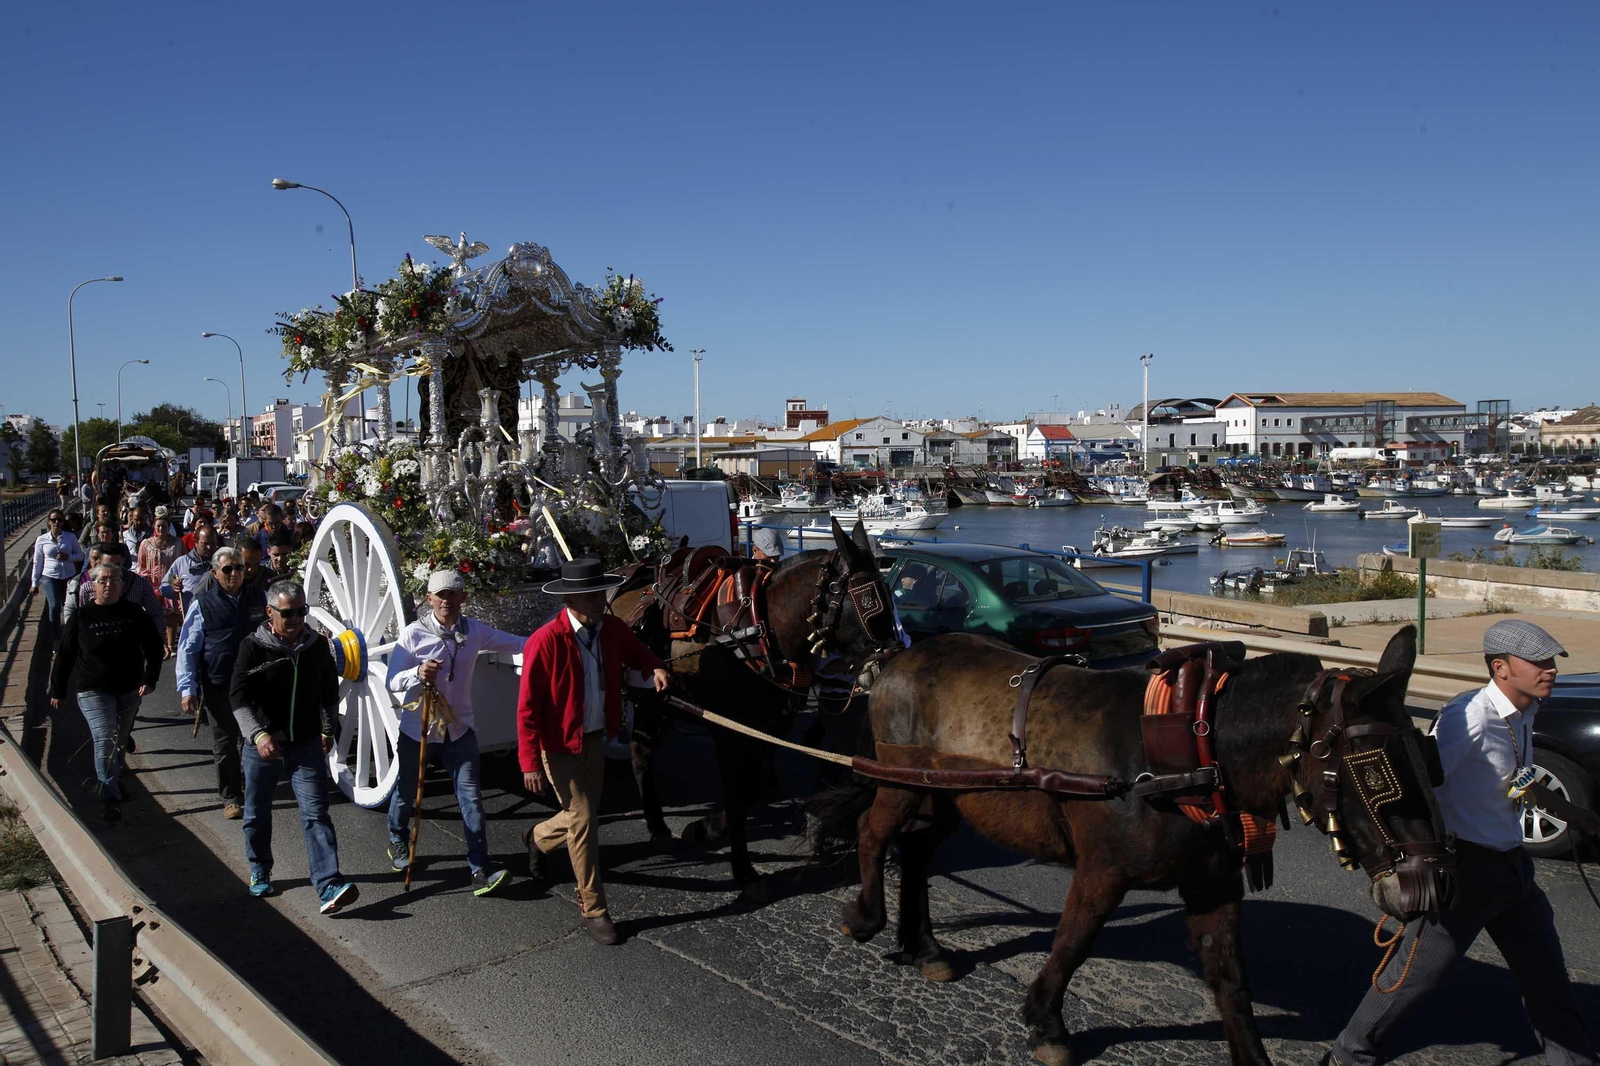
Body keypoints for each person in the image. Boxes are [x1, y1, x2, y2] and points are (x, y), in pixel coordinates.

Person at [1325, 620, 1599, 1066]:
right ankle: (1348, 1057)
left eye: (1552, 662)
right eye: (1540, 662)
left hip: (1514, 870)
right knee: (1411, 981)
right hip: (1466, 875)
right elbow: (1420, 788)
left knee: (1548, 982)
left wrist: (1579, 816)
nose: (1551, 670)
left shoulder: (1525, 712)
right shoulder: (1468, 716)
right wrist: (1411, 862)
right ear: (1501, 667)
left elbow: (1516, 782)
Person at [517, 558, 670, 945]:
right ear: (570, 599)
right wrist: (530, 761)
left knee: (578, 818)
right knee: (584, 818)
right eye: (591, 595)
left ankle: (537, 837)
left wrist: (655, 668)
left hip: (596, 739)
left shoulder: (611, 629)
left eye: (600, 592)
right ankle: (594, 908)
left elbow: (639, 653)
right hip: (558, 746)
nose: (601, 600)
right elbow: (528, 707)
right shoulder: (546, 640)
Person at [386, 570, 526, 895]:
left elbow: (517, 643)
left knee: (472, 800)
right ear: (429, 599)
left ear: (463, 598)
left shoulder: (474, 631)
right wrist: (416, 673)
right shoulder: (413, 635)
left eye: (452, 594)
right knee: (407, 792)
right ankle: (397, 838)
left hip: (459, 730)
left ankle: (480, 870)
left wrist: (553, 641)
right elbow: (391, 681)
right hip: (418, 732)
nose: (446, 600)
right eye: (440, 595)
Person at [229, 579, 357, 911]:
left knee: (317, 814)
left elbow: (329, 692)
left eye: (302, 611)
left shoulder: (317, 646)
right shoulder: (252, 648)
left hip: (305, 745)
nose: (297, 619)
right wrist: (258, 735)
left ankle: (329, 885)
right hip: (262, 747)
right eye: (289, 613)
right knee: (257, 814)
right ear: (271, 613)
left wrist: (328, 730)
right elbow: (238, 698)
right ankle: (259, 869)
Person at [47, 563, 163, 823]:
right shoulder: (82, 616)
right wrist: (58, 689)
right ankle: (110, 797)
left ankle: (113, 779)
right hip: (92, 688)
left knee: (120, 741)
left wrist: (150, 678)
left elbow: (154, 646)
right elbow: (65, 655)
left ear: (122, 585)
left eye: (114, 580)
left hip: (128, 687)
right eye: (103, 580)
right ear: (93, 585)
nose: (108, 584)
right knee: (105, 738)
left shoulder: (134, 612)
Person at [176, 547, 267, 821]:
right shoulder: (202, 604)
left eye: (239, 567)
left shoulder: (259, 598)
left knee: (253, 737)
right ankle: (230, 797)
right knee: (226, 742)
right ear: (215, 573)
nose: (235, 574)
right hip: (219, 684)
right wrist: (187, 689)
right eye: (227, 569)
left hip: (254, 681)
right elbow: (188, 649)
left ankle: (251, 786)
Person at [30, 509, 84, 638]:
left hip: (69, 577)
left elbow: (80, 556)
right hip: (50, 577)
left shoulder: (70, 537)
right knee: (54, 606)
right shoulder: (42, 540)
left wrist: (68, 557)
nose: (56, 522)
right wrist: (34, 583)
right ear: (49, 522)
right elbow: (37, 562)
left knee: (70, 606)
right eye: (53, 520)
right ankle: (56, 638)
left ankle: (70, 634)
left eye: (59, 520)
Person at [137, 513, 184, 656]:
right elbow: (141, 564)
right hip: (152, 584)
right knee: (154, 615)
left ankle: (171, 645)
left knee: (171, 615)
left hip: (170, 582)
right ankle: (159, 644)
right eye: (158, 526)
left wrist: (178, 581)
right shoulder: (146, 543)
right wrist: (147, 578)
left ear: (169, 527)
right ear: (154, 527)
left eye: (164, 525)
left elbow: (182, 562)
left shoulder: (178, 543)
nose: (161, 528)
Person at [165, 525, 218, 614]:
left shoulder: (222, 563)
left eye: (213, 543)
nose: (209, 547)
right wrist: (173, 588)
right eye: (205, 543)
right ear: (196, 542)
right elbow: (165, 585)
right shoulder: (181, 563)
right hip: (193, 617)